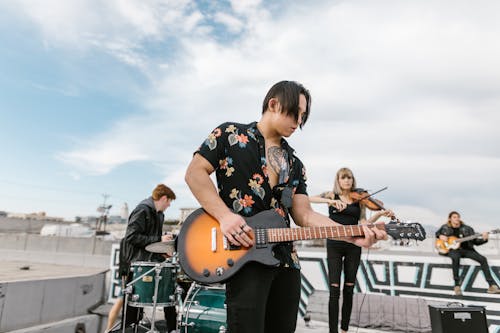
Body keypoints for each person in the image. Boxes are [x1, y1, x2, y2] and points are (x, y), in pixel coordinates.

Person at [184, 80, 387, 333]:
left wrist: (352, 235)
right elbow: (195, 174)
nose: (299, 122)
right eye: (295, 113)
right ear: (274, 104)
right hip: (244, 257)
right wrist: (225, 216)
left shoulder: (295, 163)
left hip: (286, 262)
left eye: (303, 116)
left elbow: (305, 215)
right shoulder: (229, 135)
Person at [309, 167, 393, 333]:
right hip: (334, 244)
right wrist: (330, 202)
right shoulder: (331, 195)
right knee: (334, 290)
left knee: (349, 289)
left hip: (353, 246)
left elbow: (363, 222)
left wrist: (379, 215)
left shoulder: (359, 200)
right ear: (338, 180)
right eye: (343, 178)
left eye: (349, 178)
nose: (347, 181)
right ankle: (333, 331)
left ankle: (345, 329)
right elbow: (308, 199)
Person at [105, 184, 177, 333]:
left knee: (169, 299)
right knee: (131, 312)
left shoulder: (159, 215)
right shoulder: (142, 210)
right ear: (163, 198)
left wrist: (163, 250)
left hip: (149, 261)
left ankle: (173, 329)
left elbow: (151, 244)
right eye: (169, 201)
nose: (169, 205)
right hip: (135, 263)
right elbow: (131, 237)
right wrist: (159, 238)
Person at [435, 211, 500, 296]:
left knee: (483, 259)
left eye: (458, 217)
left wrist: (485, 239)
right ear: (450, 219)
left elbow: (476, 242)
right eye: (454, 217)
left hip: (467, 250)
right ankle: (457, 285)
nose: (457, 219)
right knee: (455, 258)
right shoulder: (445, 227)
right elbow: (437, 233)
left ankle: (492, 285)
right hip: (453, 250)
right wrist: (440, 236)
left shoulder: (467, 228)